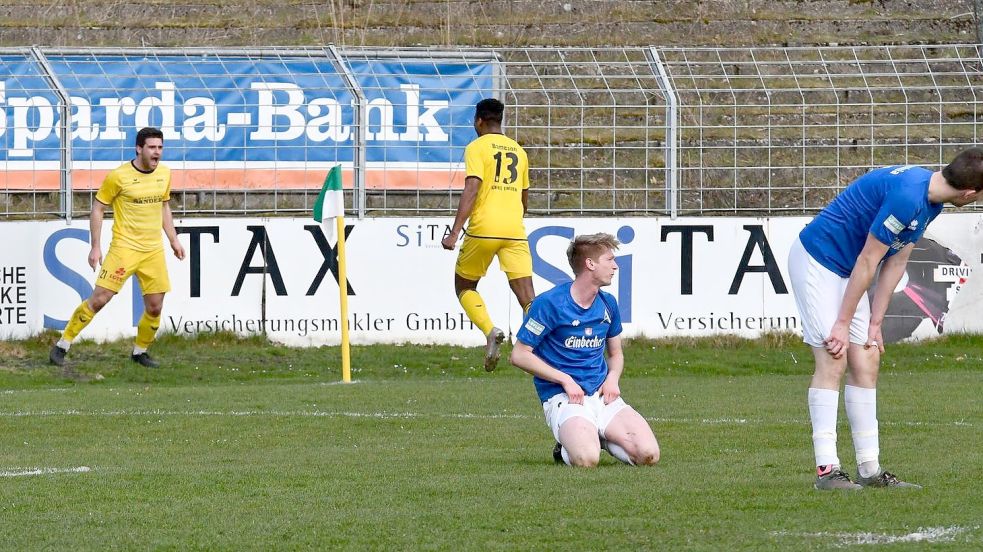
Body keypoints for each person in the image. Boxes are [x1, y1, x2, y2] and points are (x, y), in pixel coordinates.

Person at [788, 147, 983, 490]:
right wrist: (843, 324)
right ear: (969, 194)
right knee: (834, 358)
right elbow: (868, 261)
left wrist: (876, 322)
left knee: (867, 359)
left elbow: (897, 259)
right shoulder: (909, 197)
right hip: (819, 261)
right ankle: (827, 471)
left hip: (848, 270)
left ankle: (870, 470)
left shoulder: (930, 200)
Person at [510, 233, 660, 467]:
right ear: (590, 264)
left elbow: (616, 354)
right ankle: (568, 447)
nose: (615, 266)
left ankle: (595, 433)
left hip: (601, 394)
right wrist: (566, 380)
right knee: (587, 460)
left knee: (649, 455)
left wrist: (612, 379)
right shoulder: (549, 303)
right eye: (609, 260)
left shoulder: (608, 303)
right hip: (564, 398)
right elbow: (519, 355)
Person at [49, 127, 186, 369]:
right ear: (139, 148)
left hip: (152, 250)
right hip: (124, 248)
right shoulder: (118, 176)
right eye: (152, 147)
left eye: (160, 148)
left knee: (155, 306)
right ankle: (63, 344)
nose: (157, 153)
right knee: (99, 299)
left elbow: (164, 206)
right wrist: (95, 247)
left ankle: (140, 351)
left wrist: (173, 239)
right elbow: (98, 209)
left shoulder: (164, 174)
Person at [441, 98, 534, 371]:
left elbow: (472, 188)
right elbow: (525, 198)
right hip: (514, 228)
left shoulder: (477, 147)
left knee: (465, 286)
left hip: (484, 229)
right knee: (528, 298)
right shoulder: (519, 151)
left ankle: (490, 331)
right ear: (500, 120)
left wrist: (455, 231)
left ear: (478, 121)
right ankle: (544, 345)